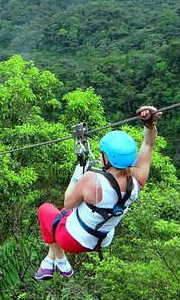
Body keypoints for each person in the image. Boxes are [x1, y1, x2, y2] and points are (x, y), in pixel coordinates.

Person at [34, 105, 162, 280]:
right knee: (71, 214)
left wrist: (79, 171)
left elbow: (67, 202)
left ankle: (60, 260)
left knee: (46, 210)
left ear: (107, 158)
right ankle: (49, 262)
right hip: (102, 239)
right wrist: (149, 125)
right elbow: (148, 143)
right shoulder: (138, 180)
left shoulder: (92, 180)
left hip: (72, 241)